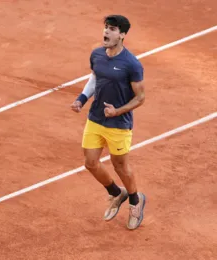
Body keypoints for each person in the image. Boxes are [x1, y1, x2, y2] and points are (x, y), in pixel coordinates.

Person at [70, 15, 146, 230]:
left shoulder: (131, 64)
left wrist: (117, 111)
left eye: (112, 29)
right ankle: (116, 193)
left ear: (122, 34)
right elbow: (95, 78)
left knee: (120, 166)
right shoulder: (97, 54)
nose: (106, 32)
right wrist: (81, 99)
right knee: (90, 163)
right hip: (96, 118)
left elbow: (140, 98)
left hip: (119, 123)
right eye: (105, 28)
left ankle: (135, 201)